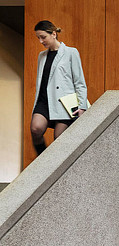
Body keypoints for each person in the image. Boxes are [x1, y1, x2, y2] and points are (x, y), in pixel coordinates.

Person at [31, 20, 88, 156]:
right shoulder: (42, 56)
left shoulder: (70, 52)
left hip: (64, 103)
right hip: (44, 100)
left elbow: (79, 82)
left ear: (54, 34)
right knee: (36, 129)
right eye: (38, 37)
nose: (40, 41)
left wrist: (82, 106)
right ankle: (42, 160)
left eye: (43, 37)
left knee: (59, 139)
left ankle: (56, 169)